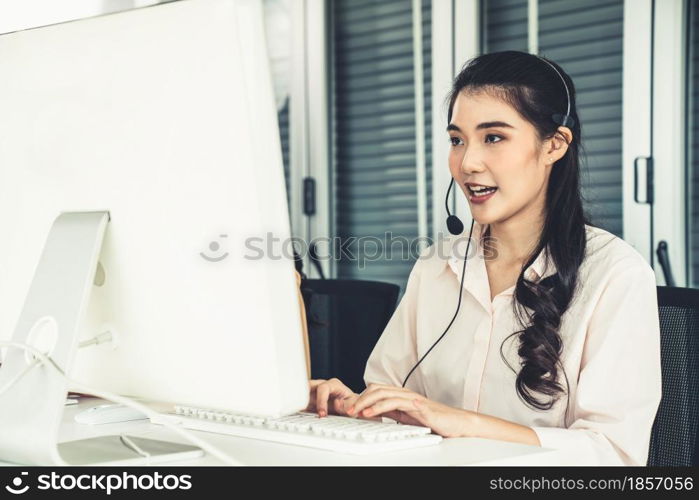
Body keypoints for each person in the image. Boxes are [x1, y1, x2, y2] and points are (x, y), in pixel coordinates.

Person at [305, 51, 662, 466]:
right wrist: (354, 409)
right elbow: (391, 396)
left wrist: (461, 422)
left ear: (554, 145)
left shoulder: (614, 274)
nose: (467, 163)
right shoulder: (438, 264)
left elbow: (613, 454)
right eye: (457, 140)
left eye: (493, 137)